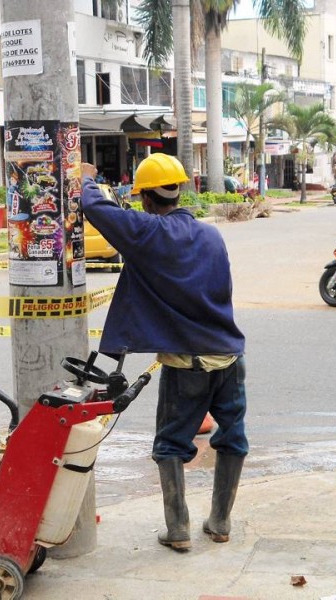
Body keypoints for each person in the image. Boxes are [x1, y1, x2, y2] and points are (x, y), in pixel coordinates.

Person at [80, 154, 247, 552]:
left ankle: (178, 529)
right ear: (179, 190)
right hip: (229, 356)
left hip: (185, 364)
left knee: (170, 445)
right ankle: (220, 522)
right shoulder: (211, 236)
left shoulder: (147, 233)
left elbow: (94, 207)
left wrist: (86, 179)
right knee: (233, 438)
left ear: (145, 199)